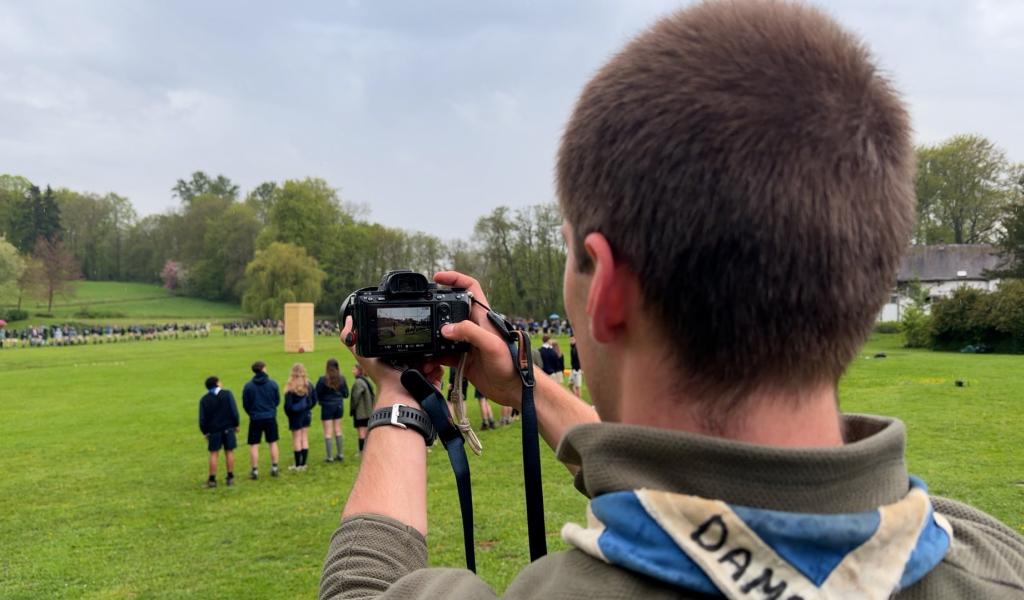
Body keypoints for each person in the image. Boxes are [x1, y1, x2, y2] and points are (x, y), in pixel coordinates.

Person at [321, 2, 1024, 599]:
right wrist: (530, 388)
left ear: (606, 287)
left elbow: (364, 585)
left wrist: (396, 399)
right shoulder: (992, 556)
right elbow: (708, 487)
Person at [242, 360, 281, 480]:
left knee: (254, 445)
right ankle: (275, 466)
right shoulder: (272, 384)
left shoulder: (248, 386)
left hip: (255, 418)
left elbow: (246, 403)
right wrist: (271, 410)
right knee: (273, 442)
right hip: (269, 416)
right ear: (263, 369)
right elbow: (277, 400)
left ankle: (255, 470)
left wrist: (252, 413)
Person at [198, 376, 239, 488]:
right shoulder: (227, 394)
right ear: (217, 383)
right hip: (228, 428)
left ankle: (212, 480)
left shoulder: (204, 399)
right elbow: (234, 411)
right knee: (229, 451)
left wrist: (205, 432)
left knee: (214, 454)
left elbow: (202, 419)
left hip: (213, 430)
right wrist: (236, 424)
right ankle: (230, 477)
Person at [284, 362, 317, 471]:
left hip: (295, 416)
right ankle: (303, 464)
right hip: (306, 414)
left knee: (297, 439)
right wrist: (307, 408)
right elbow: (314, 400)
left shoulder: (290, 386)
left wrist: (290, 414)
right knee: (304, 437)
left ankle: (298, 465)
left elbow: (287, 406)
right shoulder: (309, 385)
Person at [316, 358, 349, 462]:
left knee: (328, 432)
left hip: (327, 407)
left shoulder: (323, 379)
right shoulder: (341, 379)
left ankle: (330, 457)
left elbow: (317, 393)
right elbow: (346, 394)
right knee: (338, 430)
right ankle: (340, 454)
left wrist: (321, 401)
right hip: (338, 406)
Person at [349, 364, 374, 455]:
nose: (352, 371)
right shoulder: (366, 380)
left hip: (361, 412)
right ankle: (368, 449)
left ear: (359, 370)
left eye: (354, 369)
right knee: (367, 431)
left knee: (361, 432)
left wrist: (352, 409)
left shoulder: (358, 382)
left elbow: (355, 397)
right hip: (368, 411)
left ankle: (362, 451)